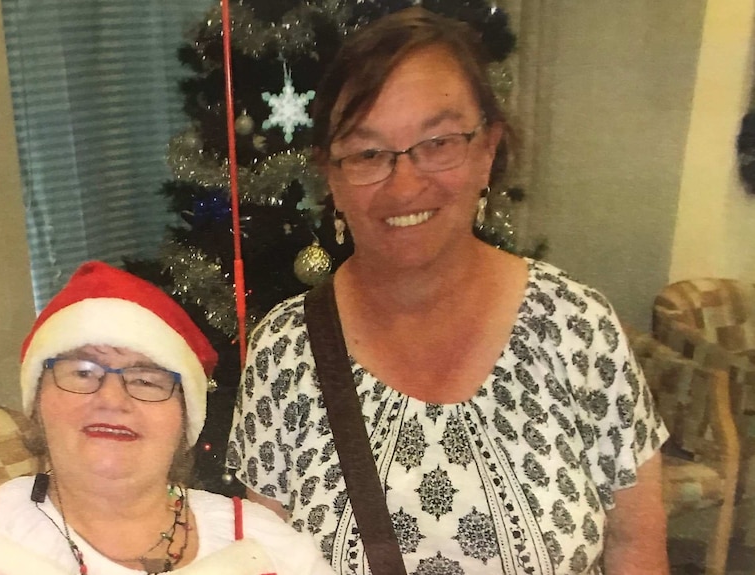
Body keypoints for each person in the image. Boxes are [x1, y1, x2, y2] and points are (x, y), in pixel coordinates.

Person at [226, 7, 670, 575]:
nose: (406, 183)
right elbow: (267, 561)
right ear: (332, 177)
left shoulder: (576, 326)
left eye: (437, 143)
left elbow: (636, 546)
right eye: (367, 153)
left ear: (488, 149)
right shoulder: (284, 354)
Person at [0, 261, 335, 575]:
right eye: (82, 372)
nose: (112, 398)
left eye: (146, 379)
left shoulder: (266, 543)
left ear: (185, 418)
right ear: (38, 403)